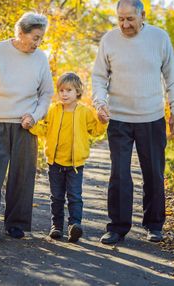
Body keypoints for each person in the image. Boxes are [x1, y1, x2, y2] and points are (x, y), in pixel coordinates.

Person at [92, 0, 174, 244]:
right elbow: (99, 77)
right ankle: (117, 227)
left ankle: (154, 225)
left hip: (151, 117)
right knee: (119, 174)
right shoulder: (109, 40)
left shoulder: (159, 38)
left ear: (143, 16)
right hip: (119, 118)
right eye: (120, 19)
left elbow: (172, 77)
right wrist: (99, 103)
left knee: (153, 172)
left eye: (130, 19)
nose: (124, 24)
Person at [0, 12, 54, 241]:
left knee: (22, 174)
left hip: (25, 126)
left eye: (41, 38)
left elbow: (46, 94)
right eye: (35, 37)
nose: (38, 43)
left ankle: (16, 224)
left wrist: (35, 116)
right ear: (21, 33)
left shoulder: (41, 59)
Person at [30, 72, 107, 243]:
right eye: (62, 90)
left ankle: (74, 225)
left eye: (69, 90)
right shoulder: (53, 110)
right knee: (56, 197)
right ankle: (56, 226)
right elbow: (44, 130)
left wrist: (102, 122)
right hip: (55, 163)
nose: (64, 94)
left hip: (75, 164)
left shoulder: (84, 112)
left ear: (78, 92)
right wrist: (31, 127)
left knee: (74, 196)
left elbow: (95, 131)